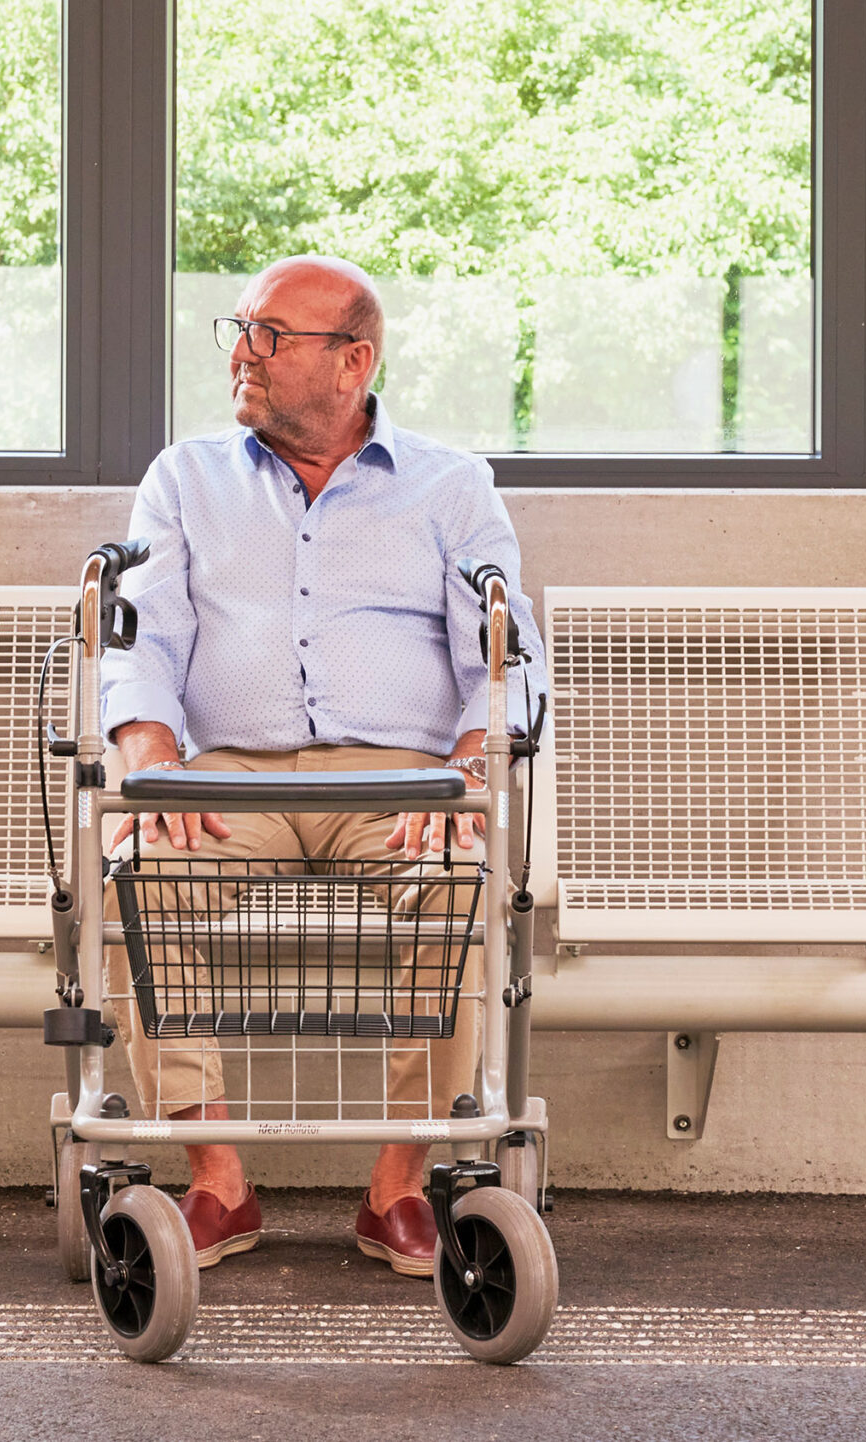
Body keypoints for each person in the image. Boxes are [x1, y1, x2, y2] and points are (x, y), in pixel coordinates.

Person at [97, 254, 544, 1277]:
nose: (240, 355)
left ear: (352, 361)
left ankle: (398, 1180)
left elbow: (503, 651)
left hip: (397, 781)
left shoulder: (449, 484)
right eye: (238, 331)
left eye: (268, 335)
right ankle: (212, 1173)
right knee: (134, 878)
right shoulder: (184, 478)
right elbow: (144, 638)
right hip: (228, 777)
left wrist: (466, 777)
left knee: (457, 881)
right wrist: (150, 756)